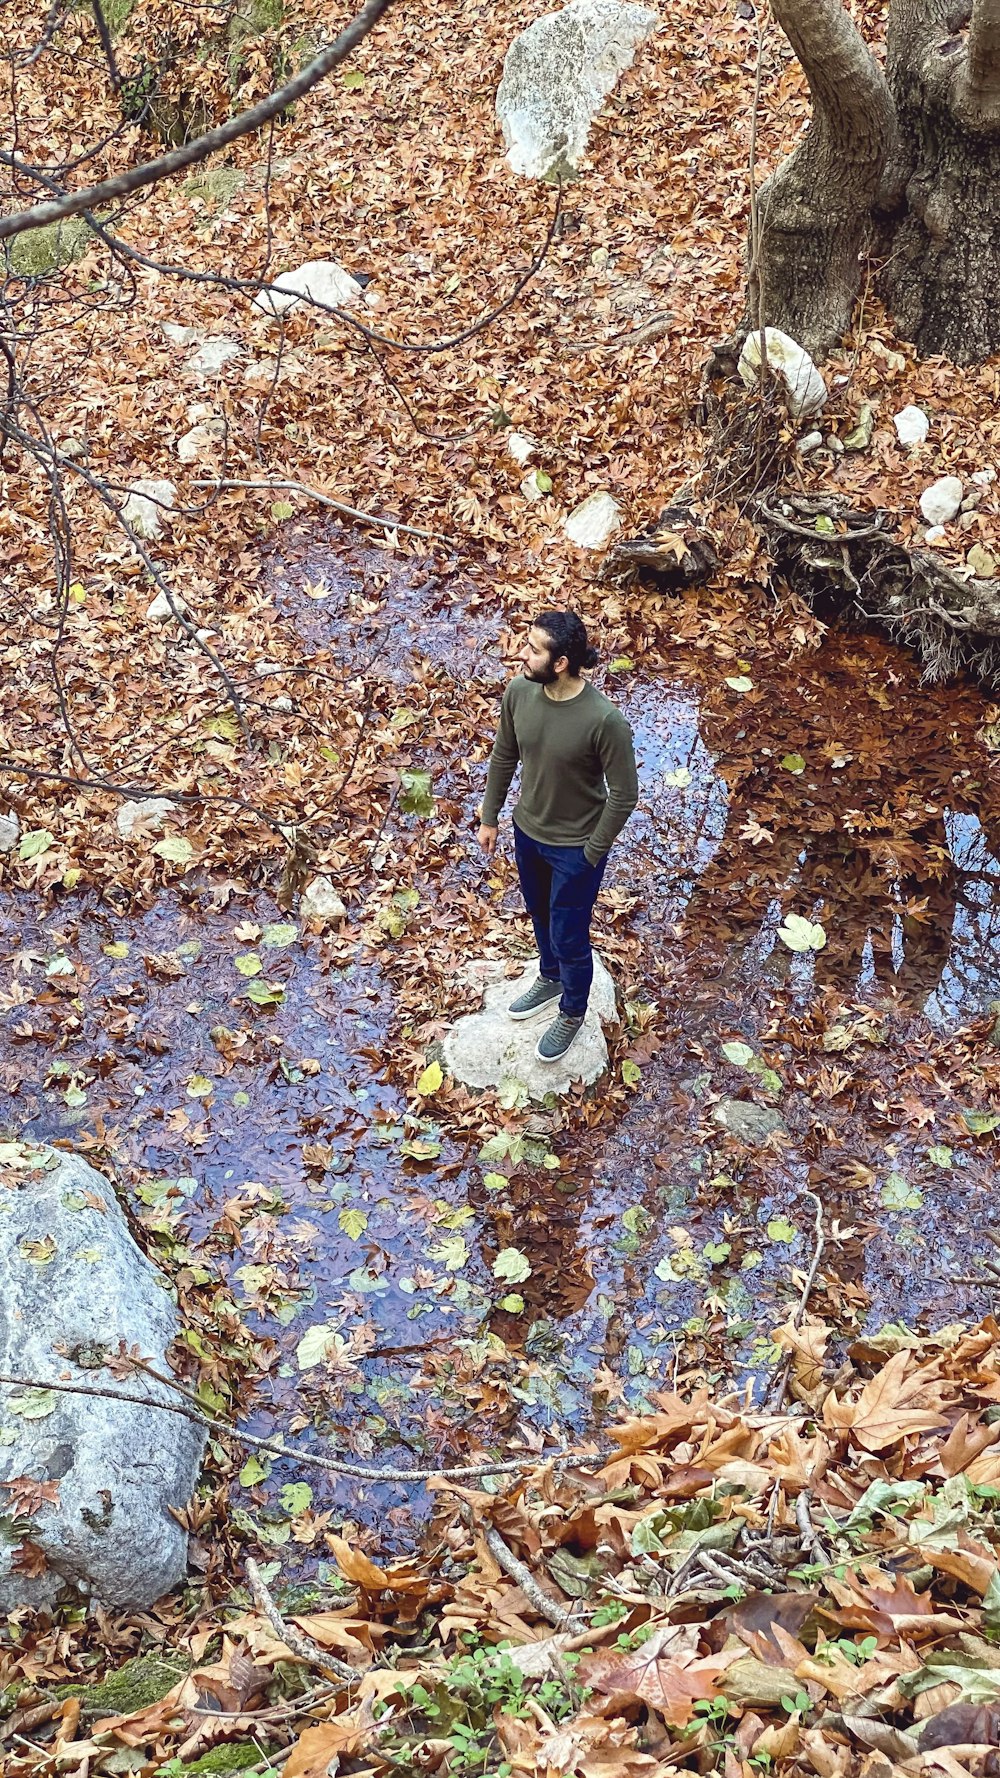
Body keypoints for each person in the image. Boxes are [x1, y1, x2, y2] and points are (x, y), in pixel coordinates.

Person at [477, 611, 639, 1063]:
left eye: (533, 649)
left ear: (562, 662)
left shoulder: (604, 721)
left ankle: (572, 1009)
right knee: (538, 914)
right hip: (528, 833)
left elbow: (624, 795)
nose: (521, 654)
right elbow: (504, 755)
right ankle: (549, 976)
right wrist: (491, 816)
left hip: (576, 849)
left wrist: (592, 851)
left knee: (570, 934)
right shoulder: (519, 693)